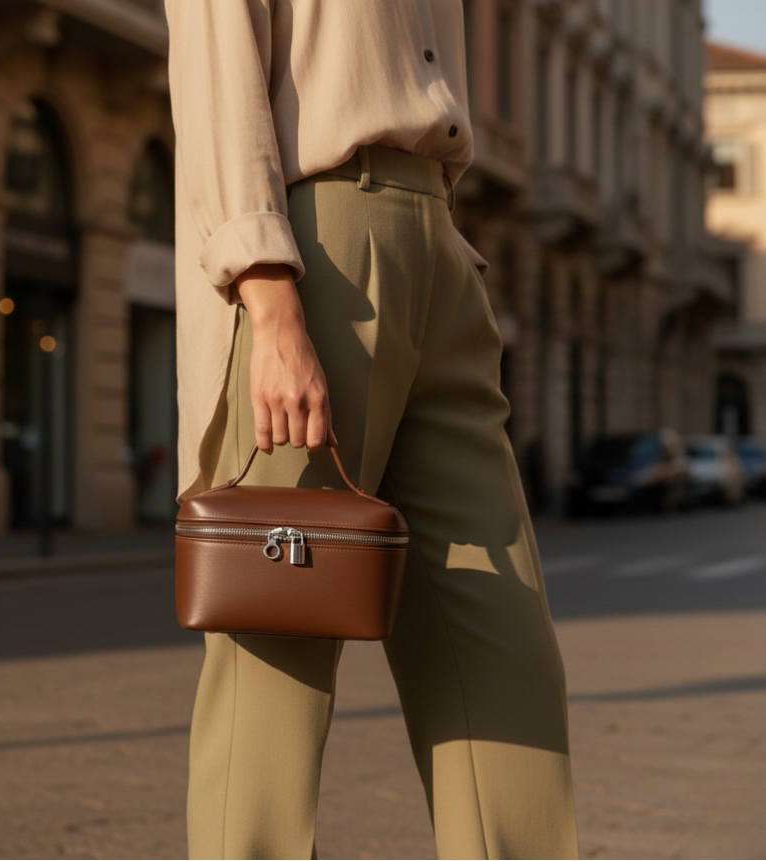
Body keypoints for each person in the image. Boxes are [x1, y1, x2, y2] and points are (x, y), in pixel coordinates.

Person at [165, 2, 579, 858]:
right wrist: (269, 293)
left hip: (437, 239)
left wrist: (443, 235)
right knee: (278, 653)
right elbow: (217, 53)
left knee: (501, 641)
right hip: (317, 247)